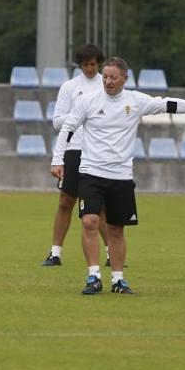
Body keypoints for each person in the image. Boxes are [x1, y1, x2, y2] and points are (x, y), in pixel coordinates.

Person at [51, 56, 185, 295]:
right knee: (89, 221)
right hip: (90, 173)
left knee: (116, 229)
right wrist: (58, 160)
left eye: (113, 77)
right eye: (106, 76)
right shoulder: (88, 102)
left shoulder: (135, 100)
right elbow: (67, 128)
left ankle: (118, 280)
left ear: (124, 79)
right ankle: (93, 276)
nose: (108, 82)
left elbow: (168, 104)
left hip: (120, 176)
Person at [42, 44, 111, 267]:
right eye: (85, 65)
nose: (90, 69)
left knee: (99, 206)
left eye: (93, 64)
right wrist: (79, 113)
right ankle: (55, 252)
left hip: (98, 150)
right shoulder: (70, 87)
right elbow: (57, 121)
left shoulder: (107, 85)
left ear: (99, 63)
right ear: (79, 65)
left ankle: (111, 253)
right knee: (66, 201)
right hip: (74, 149)